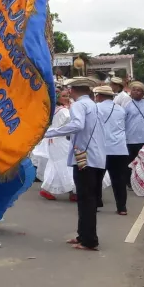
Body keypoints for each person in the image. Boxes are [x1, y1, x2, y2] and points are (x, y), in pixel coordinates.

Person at [42, 77, 106, 251]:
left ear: (73, 90)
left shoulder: (78, 105)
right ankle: (83, 235)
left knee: (86, 199)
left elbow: (77, 125)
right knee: (87, 198)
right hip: (96, 156)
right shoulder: (94, 105)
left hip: (84, 155)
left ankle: (89, 240)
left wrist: (50, 132)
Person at [93, 85, 129, 215]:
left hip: (101, 148)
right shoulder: (121, 110)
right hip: (119, 148)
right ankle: (122, 207)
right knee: (119, 179)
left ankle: (96, 202)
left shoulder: (96, 108)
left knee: (96, 178)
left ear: (100, 96)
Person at [34, 89, 76, 201]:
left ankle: (47, 188)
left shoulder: (52, 110)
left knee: (56, 164)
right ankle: (72, 191)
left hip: (52, 140)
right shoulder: (64, 111)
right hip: (60, 140)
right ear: (57, 98)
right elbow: (71, 125)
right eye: (63, 96)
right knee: (66, 164)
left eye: (67, 95)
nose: (67, 98)